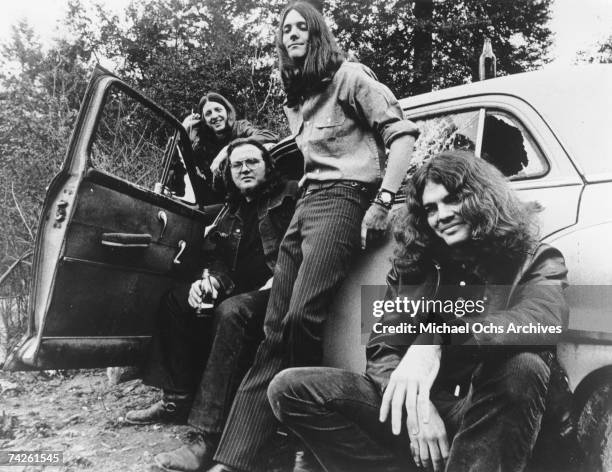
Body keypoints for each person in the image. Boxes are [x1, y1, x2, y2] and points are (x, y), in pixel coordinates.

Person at [209, 2, 419, 471]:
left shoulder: (349, 76)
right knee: (274, 330)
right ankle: (232, 460)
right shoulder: (295, 97)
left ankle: (307, 440)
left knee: (303, 316)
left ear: (318, 34)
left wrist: (383, 202)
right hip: (307, 204)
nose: (293, 33)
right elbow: (303, 161)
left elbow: (401, 134)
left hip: (346, 199)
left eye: (303, 26)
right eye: (286, 28)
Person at [268, 150, 570, 472]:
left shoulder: (534, 256)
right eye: (430, 209)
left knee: (524, 365)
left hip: (485, 407)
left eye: (452, 200)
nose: (441, 215)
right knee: (290, 388)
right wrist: (419, 411)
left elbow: (545, 320)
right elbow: (384, 348)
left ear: (482, 197)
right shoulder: (414, 263)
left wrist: (439, 338)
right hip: (428, 408)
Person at [125, 138, 298, 472]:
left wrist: (284, 275)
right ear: (230, 173)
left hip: (282, 289)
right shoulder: (231, 209)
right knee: (177, 298)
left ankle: (206, 438)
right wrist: (210, 282)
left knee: (230, 312)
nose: (245, 169)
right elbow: (219, 258)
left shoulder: (289, 194)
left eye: (253, 162)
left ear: (267, 166)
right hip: (239, 291)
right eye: (237, 165)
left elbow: (307, 238)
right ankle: (177, 399)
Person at [169, 93, 278, 202]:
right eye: (208, 113)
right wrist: (183, 134)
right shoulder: (202, 142)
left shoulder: (240, 127)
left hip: (245, 196)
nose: (214, 116)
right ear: (204, 120)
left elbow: (270, 136)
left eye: (218, 110)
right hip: (220, 203)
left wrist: (228, 149)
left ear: (227, 111)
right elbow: (179, 167)